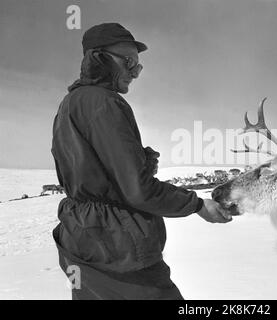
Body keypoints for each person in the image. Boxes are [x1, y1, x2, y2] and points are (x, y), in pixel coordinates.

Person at [51, 23, 232, 300]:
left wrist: (139, 163)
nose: (135, 72)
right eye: (129, 62)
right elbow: (137, 190)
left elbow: (90, 174)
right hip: (117, 249)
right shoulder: (105, 103)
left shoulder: (69, 104)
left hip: (81, 240)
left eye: (139, 66)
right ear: (98, 59)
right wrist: (197, 205)